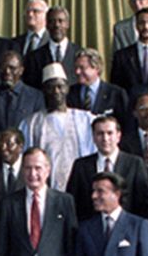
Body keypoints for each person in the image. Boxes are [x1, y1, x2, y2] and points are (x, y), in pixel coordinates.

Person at [21, 63, 95, 191]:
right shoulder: (31, 123)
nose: (56, 91)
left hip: (82, 187)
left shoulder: (85, 119)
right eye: (50, 87)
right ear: (44, 90)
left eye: (60, 86)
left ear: (67, 88)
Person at [66, 115, 148, 221]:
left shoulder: (135, 163)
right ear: (93, 137)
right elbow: (72, 202)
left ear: (118, 136)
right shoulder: (81, 166)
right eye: (100, 133)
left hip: (127, 227)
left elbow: (144, 202)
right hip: (90, 227)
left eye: (110, 133)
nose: (105, 138)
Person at [0, 50, 45, 133]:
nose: (7, 71)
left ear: (21, 70)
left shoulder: (36, 97)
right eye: (3, 67)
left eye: (12, 68)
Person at [21, 5, 81, 90]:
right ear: (47, 25)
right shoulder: (34, 57)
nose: (56, 25)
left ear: (67, 24)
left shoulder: (79, 54)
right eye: (52, 21)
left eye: (60, 21)